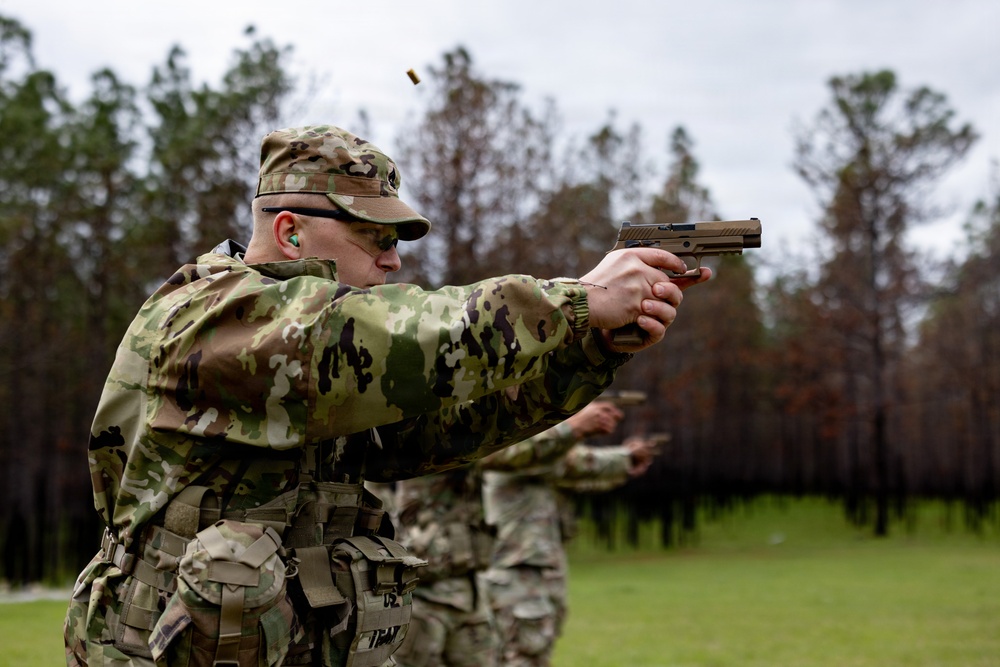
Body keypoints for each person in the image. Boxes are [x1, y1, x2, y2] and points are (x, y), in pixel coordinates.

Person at [63, 124, 710, 667]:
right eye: (375, 237)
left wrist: (591, 347)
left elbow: (441, 429)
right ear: (290, 232)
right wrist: (577, 300)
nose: (394, 260)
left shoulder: (312, 364)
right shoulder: (214, 315)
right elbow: (386, 337)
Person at [388, 401, 624, 667]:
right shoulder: (430, 426)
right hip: (424, 590)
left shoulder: (472, 429)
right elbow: (501, 451)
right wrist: (572, 427)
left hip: (467, 586)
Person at [481, 409, 658, 667]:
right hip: (515, 571)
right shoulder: (515, 450)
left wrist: (626, 462)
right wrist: (580, 432)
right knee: (521, 655)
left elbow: (579, 473)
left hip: (537, 569)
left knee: (535, 653)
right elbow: (570, 463)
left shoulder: (542, 459)